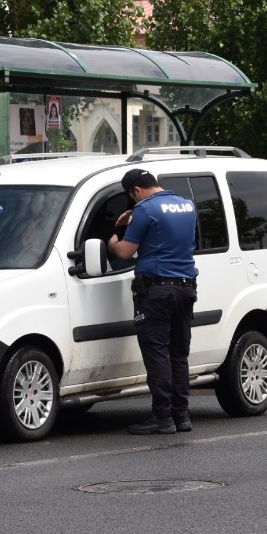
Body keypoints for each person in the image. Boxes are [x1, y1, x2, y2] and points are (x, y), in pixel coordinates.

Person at [108, 169, 199, 435]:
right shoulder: (186, 205)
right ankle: (181, 415)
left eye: (131, 198)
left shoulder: (145, 210)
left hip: (157, 292)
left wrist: (113, 241)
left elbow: (126, 251)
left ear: (136, 191)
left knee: (157, 353)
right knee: (178, 354)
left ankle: (161, 417)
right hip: (186, 288)